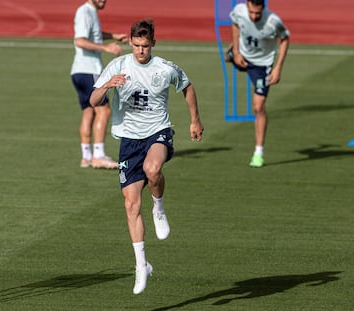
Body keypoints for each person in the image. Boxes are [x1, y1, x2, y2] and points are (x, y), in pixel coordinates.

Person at [90, 19, 204, 294]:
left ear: (154, 43)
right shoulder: (117, 66)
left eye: (146, 45)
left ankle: (159, 207)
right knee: (130, 205)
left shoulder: (165, 68)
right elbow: (93, 101)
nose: (141, 51)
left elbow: (187, 86)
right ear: (130, 42)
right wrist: (108, 86)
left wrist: (194, 120)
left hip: (158, 132)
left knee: (153, 170)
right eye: (137, 45)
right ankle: (142, 265)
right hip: (129, 140)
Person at [225, 0, 290, 167]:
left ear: (264, 9)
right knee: (227, 56)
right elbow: (235, 24)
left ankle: (258, 152)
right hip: (243, 57)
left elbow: (285, 39)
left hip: (262, 65)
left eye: (257, 13)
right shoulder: (239, 10)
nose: (254, 16)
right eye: (251, 12)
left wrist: (278, 68)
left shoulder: (273, 21)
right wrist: (236, 51)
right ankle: (232, 53)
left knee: (258, 106)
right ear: (247, 5)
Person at [71, 0, 128, 169]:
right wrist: (106, 48)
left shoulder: (90, 12)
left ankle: (86, 156)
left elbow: (92, 35)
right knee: (104, 110)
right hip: (89, 69)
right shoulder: (85, 12)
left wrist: (113, 35)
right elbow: (80, 41)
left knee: (89, 112)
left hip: (79, 71)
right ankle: (99, 154)